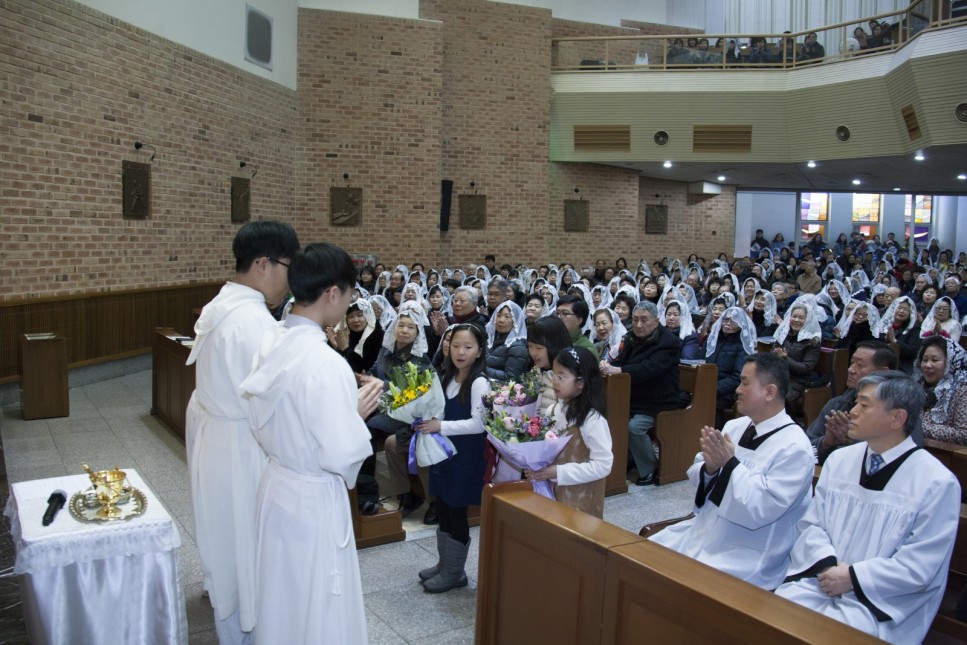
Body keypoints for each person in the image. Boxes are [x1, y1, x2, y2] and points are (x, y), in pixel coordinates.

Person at [239, 242, 381, 645]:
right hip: (311, 496)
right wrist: (355, 416)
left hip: (277, 484)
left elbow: (260, 416)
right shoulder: (326, 362)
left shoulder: (272, 340)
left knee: (282, 593)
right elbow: (340, 456)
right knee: (316, 598)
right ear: (333, 293)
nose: (349, 303)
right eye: (349, 294)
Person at [775, 372, 961, 643]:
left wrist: (852, 577)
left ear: (897, 418)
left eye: (864, 405)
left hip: (882, 603)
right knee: (774, 617)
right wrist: (828, 566)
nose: (852, 411)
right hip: (821, 581)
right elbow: (811, 525)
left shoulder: (936, 482)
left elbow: (920, 566)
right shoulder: (840, 460)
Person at [185, 220, 299, 644]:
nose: (291, 280)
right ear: (263, 264)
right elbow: (271, 408)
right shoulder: (252, 323)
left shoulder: (223, 305)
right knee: (248, 553)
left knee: (228, 547)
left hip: (217, 442)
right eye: (289, 267)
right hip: (242, 450)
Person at [650, 354, 814, 589]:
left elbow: (761, 508)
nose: (737, 390)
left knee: (680, 583)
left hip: (749, 551)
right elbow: (699, 469)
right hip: (707, 530)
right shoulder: (735, 426)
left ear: (769, 392)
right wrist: (710, 469)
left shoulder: (794, 447)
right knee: (643, 557)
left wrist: (729, 465)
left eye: (745, 383)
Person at [413, 324, 489, 593]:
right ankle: (445, 564)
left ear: (479, 351)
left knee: (456, 511)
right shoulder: (447, 376)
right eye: (455, 346)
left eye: (468, 347)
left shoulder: (479, 382)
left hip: (465, 457)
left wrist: (440, 426)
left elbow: (479, 424)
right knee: (443, 507)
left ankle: (455, 573)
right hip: (444, 454)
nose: (460, 352)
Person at [525, 346, 614, 518]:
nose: (555, 381)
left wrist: (558, 472)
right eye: (553, 374)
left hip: (581, 497)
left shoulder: (592, 419)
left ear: (581, 382)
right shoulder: (553, 410)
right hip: (552, 492)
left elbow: (603, 465)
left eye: (562, 376)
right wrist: (536, 468)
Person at [599, 301, 681, 486]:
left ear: (656, 321)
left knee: (634, 428)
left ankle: (650, 468)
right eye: (635, 319)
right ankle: (622, 461)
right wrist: (607, 364)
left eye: (644, 320)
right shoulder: (630, 337)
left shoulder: (669, 342)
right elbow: (620, 360)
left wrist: (619, 370)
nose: (638, 325)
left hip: (659, 401)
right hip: (633, 398)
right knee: (609, 418)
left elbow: (649, 368)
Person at [805, 340, 902, 465]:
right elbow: (805, 447)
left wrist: (852, 441)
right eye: (851, 363)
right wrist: (825, 443)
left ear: (882, 372)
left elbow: (895, 457)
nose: (850, 369)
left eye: (860, 365)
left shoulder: (894, 412)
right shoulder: (836, 405)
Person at [915, 336, 967, 445]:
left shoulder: (963, 391)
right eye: (925, 360)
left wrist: (918, 427)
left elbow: (964, 434)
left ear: (951, 363)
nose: (928, 365)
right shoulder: (917, 387)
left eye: (934, 360)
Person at [705, 306, 757, 413]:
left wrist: (712, 389)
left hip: (727, 392)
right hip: (706, 385)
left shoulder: (742, 346)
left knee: (706, 405)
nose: (728, 323)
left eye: (733, 321)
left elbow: (737, 378)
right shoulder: (714, 339)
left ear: (741, 324)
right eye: (726, 319)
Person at [772, 303, 822, 404]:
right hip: (777, 375)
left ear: (807, 320)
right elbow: (772, 355)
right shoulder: (783, 334)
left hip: (797, 381)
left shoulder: (813, 340)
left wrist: (785, 359)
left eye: (801, 318)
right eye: (794, 316)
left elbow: (806, 368)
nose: (796, 320)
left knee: (776, 397)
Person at [528, 316, 574, 412]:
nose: (533, 353)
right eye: (530, 346)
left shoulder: (565, 378)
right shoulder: (535, 370)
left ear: (556, 346)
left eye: (539, 348)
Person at [330, 298, 383, 374]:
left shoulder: (378, 335)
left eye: (360, 315)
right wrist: (337, 348)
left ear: (368, 316)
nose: (356, 320)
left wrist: (345, 349)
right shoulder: (344, 333)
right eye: (351, 316)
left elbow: (364, 369)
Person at [484, 300, 529, 380]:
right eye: (498, 315)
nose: (501, 320)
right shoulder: (489, 338)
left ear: (515, 322)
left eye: (507, 317)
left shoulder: (518, 346)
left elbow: (511, 377)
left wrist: (480, 369)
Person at [878, 295, 921, 374]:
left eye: (906, 309)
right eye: (899, 308)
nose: (901, 311)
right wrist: (885, 339)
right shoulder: (884, 324)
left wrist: (895, 341)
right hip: (880, 361)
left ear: (910, 313)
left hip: (902, 366)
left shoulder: (914, 328)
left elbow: (912, 352)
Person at [555, 295, 600, 360]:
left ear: (579, 320)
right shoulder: (552, 341)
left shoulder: (587, 350)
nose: (559, 317)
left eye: (565, 313)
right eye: (557, 313)